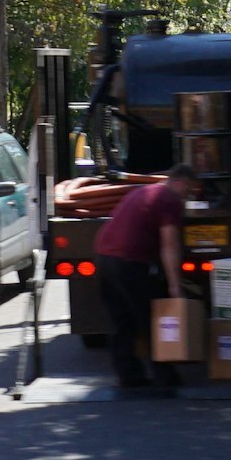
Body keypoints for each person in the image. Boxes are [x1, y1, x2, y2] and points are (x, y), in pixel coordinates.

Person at [94, 169, 197, 395]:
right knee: (151, 319)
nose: (188, 195)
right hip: (129, 262)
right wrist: (174, 286)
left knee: (121, 321)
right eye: (189, 189)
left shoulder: (146, 191)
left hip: (104, 257)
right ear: (180, 183)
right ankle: (165, 375)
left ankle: (128, 376)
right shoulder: (170, 200)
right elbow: (169, 246)